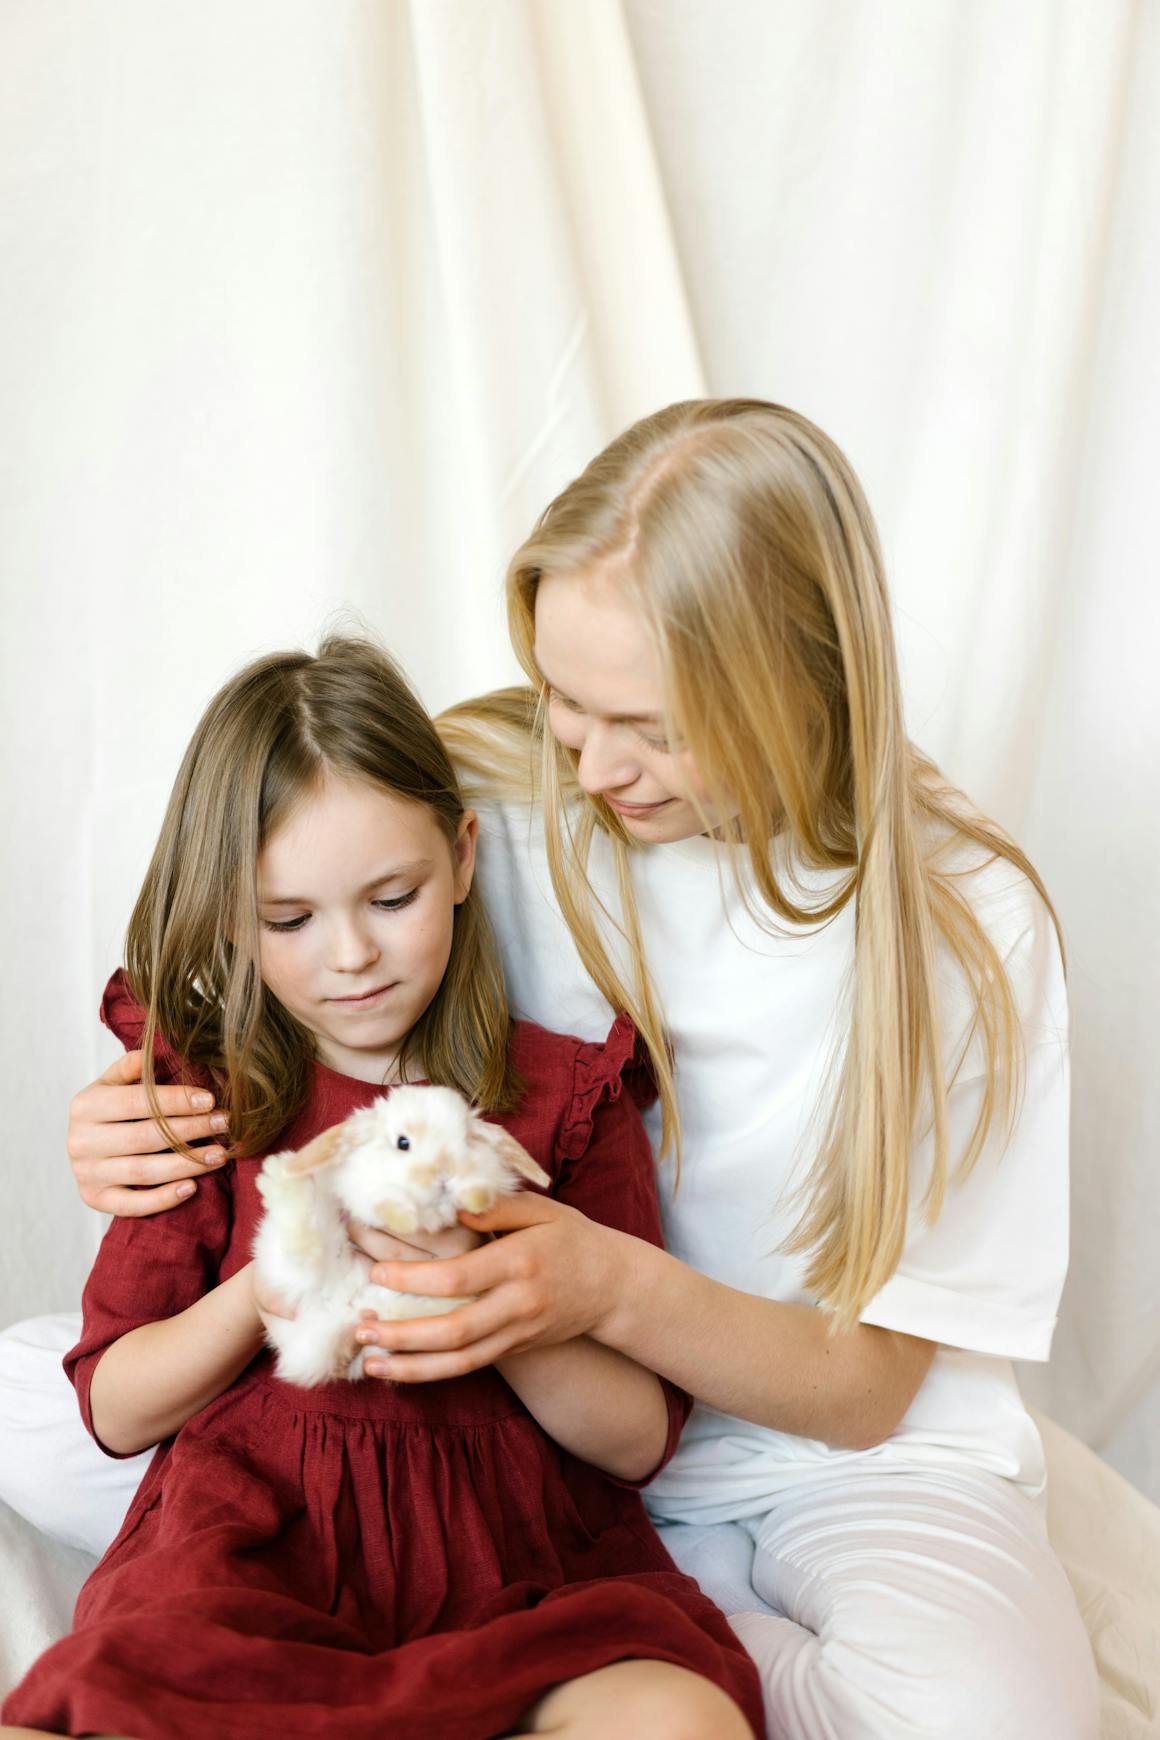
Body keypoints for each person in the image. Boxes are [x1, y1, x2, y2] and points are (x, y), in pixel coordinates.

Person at [11, 399, 1098, 1738]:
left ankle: (686, 1655)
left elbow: (862, 1388)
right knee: (36, 1400)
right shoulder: (508, 803)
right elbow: (262, 944)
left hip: (813, 1453)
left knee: (1004, 1724)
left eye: (643, 722)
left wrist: (591, 1280)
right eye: (562, 698)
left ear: (791, 682)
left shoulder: (966, 925)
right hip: (474, 1433)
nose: (586, 759)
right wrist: (134, 1113)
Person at [0, 636, 761, 1740]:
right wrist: (261, 1295)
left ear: (459, 860)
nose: (350, 955)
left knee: (678, 1722)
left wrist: (490, 1295)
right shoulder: (202, 1103)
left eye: (391, 897)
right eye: (290, 920)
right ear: (229, 917)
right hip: (252, 1557)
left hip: (520, 1566)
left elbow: (636, 1440)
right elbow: (115, 1409)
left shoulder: (559, 1102)